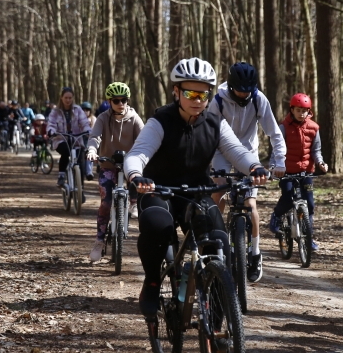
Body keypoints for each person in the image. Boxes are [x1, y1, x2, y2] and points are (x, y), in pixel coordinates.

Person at [125, 57, 270, 321]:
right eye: (190, 93)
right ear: (176, 91)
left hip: (196, 192)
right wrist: (136, 174)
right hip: (159, 190)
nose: (197, 100)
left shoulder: (215, 124)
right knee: (158, 226)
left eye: (203, 94)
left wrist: (254, 167)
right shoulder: (160, 122)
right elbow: (138, 153)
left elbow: (237, 151)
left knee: (218, 241)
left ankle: (217, 317)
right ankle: (152, 282)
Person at [207, 61, 286, 282]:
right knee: (219, 192)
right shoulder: (218, 100)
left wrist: (280, 161)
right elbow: (208, 132)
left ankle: (255, 252)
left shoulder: (259, 99)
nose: (244, 94)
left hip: (249, 155)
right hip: (221, 151)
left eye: (248, 90)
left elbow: (274, 133)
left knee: (250, 205)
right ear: (231, 86)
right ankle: (214, 240)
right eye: (240, 90)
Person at [86, 83, 145, 262]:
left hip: (129, 163)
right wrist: (92, 150)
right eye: (116, 101)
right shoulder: (103, 118)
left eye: (124, 100)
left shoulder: (134, 118)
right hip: (108, 164)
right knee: (106, 203)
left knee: (136, 178)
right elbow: (95, 137)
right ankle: (99, 241)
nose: (121, 104)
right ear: (110, 102)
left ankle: (133, 203)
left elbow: (145, 138)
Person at [268, 93, 329, 251]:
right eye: (298, 110)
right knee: (288, 197)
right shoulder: (283, 127)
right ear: (292, 110)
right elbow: (276, 150)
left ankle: (308, 238)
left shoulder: (314, 128)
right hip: (286, 172)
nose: (301, 114)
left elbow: (316, 150)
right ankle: (276, 216)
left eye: (304, 111)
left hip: (306, 172)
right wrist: (273, 167)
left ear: (309, 111)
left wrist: (321, 163)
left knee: (310, 204)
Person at [45, 87, 91, 188]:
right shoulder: (55, 111)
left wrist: (88, 131)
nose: (68, 100)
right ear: (61, 98)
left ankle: (80, 189)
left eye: (70, 98)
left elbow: (84, 123)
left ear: (73, 98)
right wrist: (51, 131)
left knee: (80, 161)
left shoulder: (78, 110)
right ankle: (61, 175)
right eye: (66, 97)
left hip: (76, 140)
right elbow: (51, 124)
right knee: (66, 151)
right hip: (61, 139)